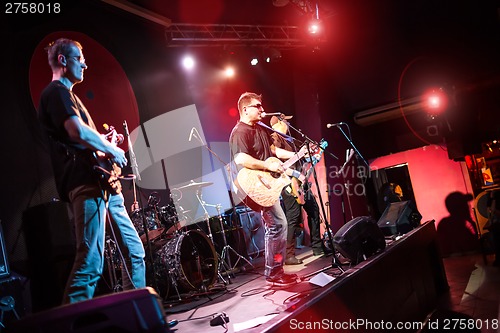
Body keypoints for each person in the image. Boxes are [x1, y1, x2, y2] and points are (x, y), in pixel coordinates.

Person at [38, 38, 146, 304]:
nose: (85, 64)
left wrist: (105, 142)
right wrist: (112, 150)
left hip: (105, 184)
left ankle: (139, 316)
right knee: (90, 262)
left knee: (135, 251)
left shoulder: (70, 97)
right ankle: (67, 325)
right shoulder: (56, 92)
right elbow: (75, 132)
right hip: (86, 183)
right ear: (63, 60)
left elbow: (82, 140)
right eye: (79, 58)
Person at [229, 92, 305, 287]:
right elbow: (241, 159)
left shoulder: (261, 129)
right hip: (254, 184)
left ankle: (275, 272)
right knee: (278, 224)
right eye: (258, 106)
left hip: (268, 184)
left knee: (276, 226)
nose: (262, 109)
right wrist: (267, 166)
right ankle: (273, 274)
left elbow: (273, 151)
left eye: (262, 105)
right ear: (245, 109)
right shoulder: (240, 131)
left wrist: (299, 153)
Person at [270, 116, 303, 265]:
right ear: (277, 124)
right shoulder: (275, 137)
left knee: (304, 212)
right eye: (285, 121)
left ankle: (317, 247)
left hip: (295, 180)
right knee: (292, 215)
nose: (288, 124)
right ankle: (288, 255)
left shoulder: (288, 139)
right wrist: (297, 154)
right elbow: (277, 154)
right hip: (285, 182)